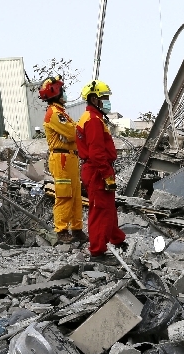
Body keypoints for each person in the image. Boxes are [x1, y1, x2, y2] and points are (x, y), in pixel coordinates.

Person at [76, 79, 126, 260]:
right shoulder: (93, 121)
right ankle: (97, 251)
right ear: (94, 99)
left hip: (97, 169)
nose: (107, 100)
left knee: (108, 208)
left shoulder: (92, 118)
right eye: (104, 97)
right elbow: (97, 152)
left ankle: (117, 239)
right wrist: (106, 174)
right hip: (97, 170)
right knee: (99, 210)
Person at [39, 75, 87, 244]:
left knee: (75, 196)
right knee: (65, 195)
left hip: (70, 158)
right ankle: (61, 230)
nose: (65, 93)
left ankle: (76, 229)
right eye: (63, 90)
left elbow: (74, 133)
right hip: (61, 159)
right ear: (56, 93)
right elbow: (73, 133)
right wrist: (76, 134)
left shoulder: (61, 113)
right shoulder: (53, 113)